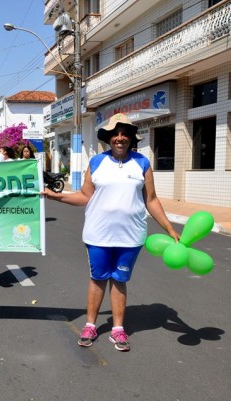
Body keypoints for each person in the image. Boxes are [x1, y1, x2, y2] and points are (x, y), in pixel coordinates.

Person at [43, 113, 180, 352]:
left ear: (130, 138)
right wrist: (58, 196)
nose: (120, 138)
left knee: (119, 280)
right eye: (115, 134)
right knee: (98, 279)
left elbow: (152, 199)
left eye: (124, 134)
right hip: (98, 235)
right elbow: (85, 196)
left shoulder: (142, 164)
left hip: (131, 236)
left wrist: (169, 229)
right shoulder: (96, 163)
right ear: (108, 138)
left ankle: (118, 329)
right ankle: (90, 324)